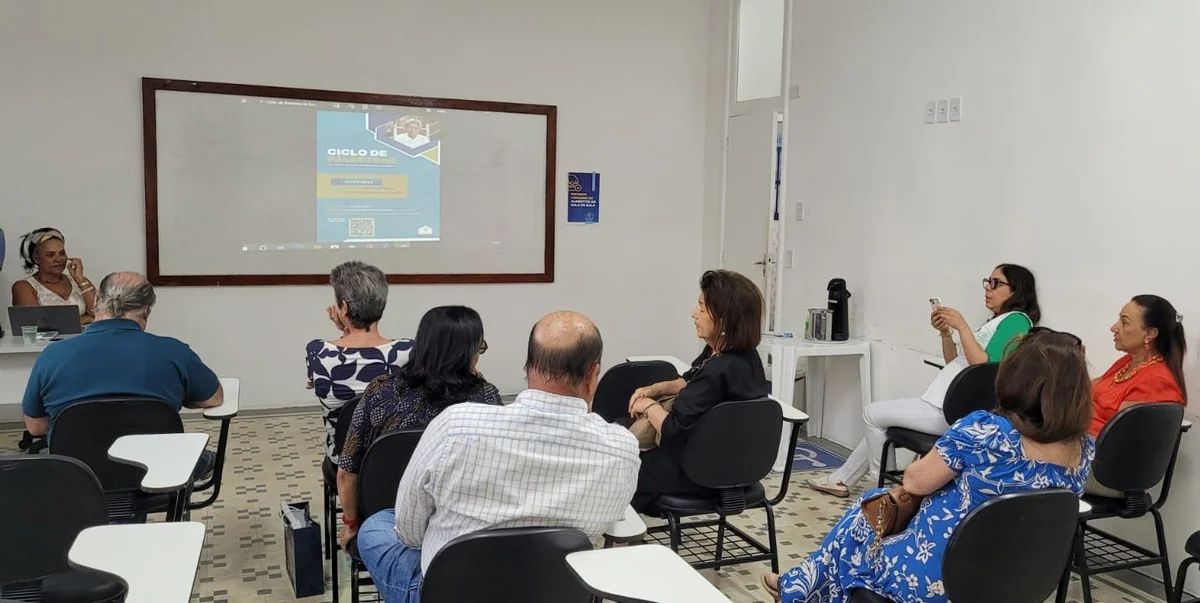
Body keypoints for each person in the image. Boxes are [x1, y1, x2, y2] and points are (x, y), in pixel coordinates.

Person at [765, 328, 1094, 603]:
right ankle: (799, 586)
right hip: (1015, 581)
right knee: (869, 517)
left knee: (865, 517)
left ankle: (800, 589)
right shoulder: (1082, 452)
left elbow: (915, 482)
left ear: (1016, 380)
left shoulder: (984, 432)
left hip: (940, 578)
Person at [354, 311, 640, 602]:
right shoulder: (623, 449)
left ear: (527, 366)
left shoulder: (457, 426)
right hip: (553, 592)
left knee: (376, 527)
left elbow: (409, 534)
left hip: (453, 592)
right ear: (593, 376)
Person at [809, 264, 1039, 497]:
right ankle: (841, 480)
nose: (988, 289)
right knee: (878, 419)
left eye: (996, 283)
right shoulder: (996, 322)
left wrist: (962, 326)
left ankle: (884, 492)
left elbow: (984, 368)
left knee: (872, 414)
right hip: (941, 402)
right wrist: (946, 332)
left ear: (1016, 290)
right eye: (987, 282)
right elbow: (954, 360)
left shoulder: (1016, 320)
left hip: (953, 410)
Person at [21, 272, 224, 473]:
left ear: (97, 302)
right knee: (205, 458)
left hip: (79, 484)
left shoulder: (52, 356)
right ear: (147, 311)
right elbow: (214, 399)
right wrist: (182, 398)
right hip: (158, 480)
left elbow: (36, 428)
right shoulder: (174, 352)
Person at [335, 305, 502, 547]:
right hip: (460, 528)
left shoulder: (380, 391)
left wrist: (352, 525)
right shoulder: (486, 400)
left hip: (388, 524)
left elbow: (346, 473)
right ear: (468, 353)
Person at [626, 270, 769, 514]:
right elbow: (690, 380)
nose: (694, 314)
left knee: (622, 463)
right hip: (738, 466)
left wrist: (649, 406)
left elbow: (672, 429)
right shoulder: (741, 357)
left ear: (724, 319)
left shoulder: (718, 370)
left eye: (702, 309)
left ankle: (622, 539)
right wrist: (656, 389)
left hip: (699, 474)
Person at [306, 261, 412, 465]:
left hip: (343, 461)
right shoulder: (410, 351)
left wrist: (345, 330)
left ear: (343, 307)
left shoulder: (318, 352)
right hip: (398, 460)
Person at [1086, 295, 1187, 496]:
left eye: (1124, 322)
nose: (1114, 328)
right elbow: (1083, 391)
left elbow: (1117, 441)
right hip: (1084, 452)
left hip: (1106, 473)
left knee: (1019, 457)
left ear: (1149, 334)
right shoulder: (1126, 363)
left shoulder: (1156, 381)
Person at [11, 227, 97, 324]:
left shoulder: (79, 282)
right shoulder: (24, 287)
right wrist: (84, 319)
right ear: (36, 258)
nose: (58, 259)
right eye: (50, 255)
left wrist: (80, 279)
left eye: (62, 253)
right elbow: (36, 325)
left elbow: (102, 315)